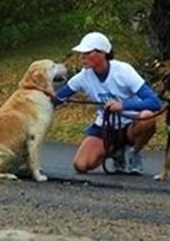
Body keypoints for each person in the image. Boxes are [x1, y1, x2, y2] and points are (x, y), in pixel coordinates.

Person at [52, 31, 160, 174]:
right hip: (105, 127)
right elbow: (57, 99)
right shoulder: (82, 77)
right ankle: (116, 152)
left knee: (147, 117)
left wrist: (123, 106)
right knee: (81, 165)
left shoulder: (123, 71)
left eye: (87, 52)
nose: (82, 57)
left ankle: (133, 152)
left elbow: (154, 102)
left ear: (102, 53)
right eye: (82, 53)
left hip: (130, 125)